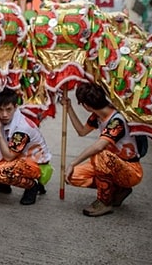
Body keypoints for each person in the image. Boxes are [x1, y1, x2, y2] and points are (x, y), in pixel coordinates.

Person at [61, 82, 143, 217]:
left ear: (86, 106)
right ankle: (117, 189)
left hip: (130, 170)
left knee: (100, 154)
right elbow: (81, 131)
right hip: (109, 165)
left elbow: (99, 146)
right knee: (72, 176)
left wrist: (72, 163)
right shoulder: (97, 116)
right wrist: (69, 108)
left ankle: (104, 202)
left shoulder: (117, 121)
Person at [0, 87, 53, 205]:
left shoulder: (22, 129)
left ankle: (32, 186)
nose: (4, 114)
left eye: (8, 109)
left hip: (35, 164)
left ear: (15, 107)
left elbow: (9, 157)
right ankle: (3, 185)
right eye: (0, 109)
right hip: (18, 157)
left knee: (0, 171)